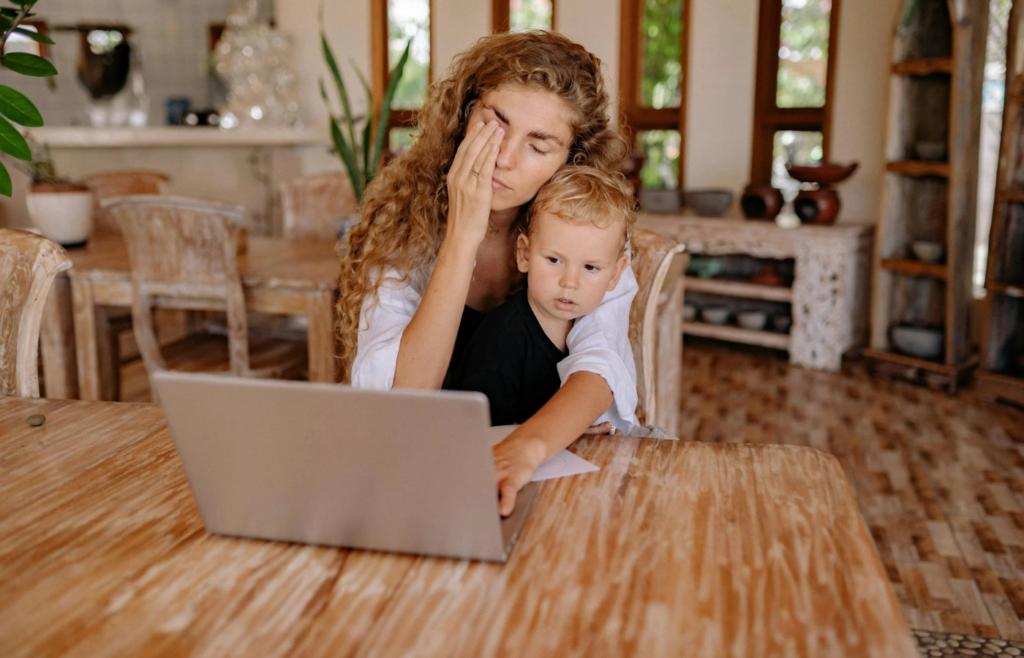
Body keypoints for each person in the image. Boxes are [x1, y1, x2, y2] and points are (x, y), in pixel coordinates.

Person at [336, 31, 638, 516]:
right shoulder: (399, 227)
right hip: (425, 468)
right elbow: (401, 398)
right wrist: (463, 233)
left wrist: (527, 448)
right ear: (463, 115)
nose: (503, 158)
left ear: (570, 160)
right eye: (494, 125)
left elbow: (600, 365)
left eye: (538, 146)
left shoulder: (587, 234)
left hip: (545, 461)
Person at [446, 165, 636, 428]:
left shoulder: (591, 329)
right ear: (524, 254)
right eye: (554, 260)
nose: (570, 282)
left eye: (590, 267)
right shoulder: (501, 342)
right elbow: (473, 432)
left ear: (615, 274)